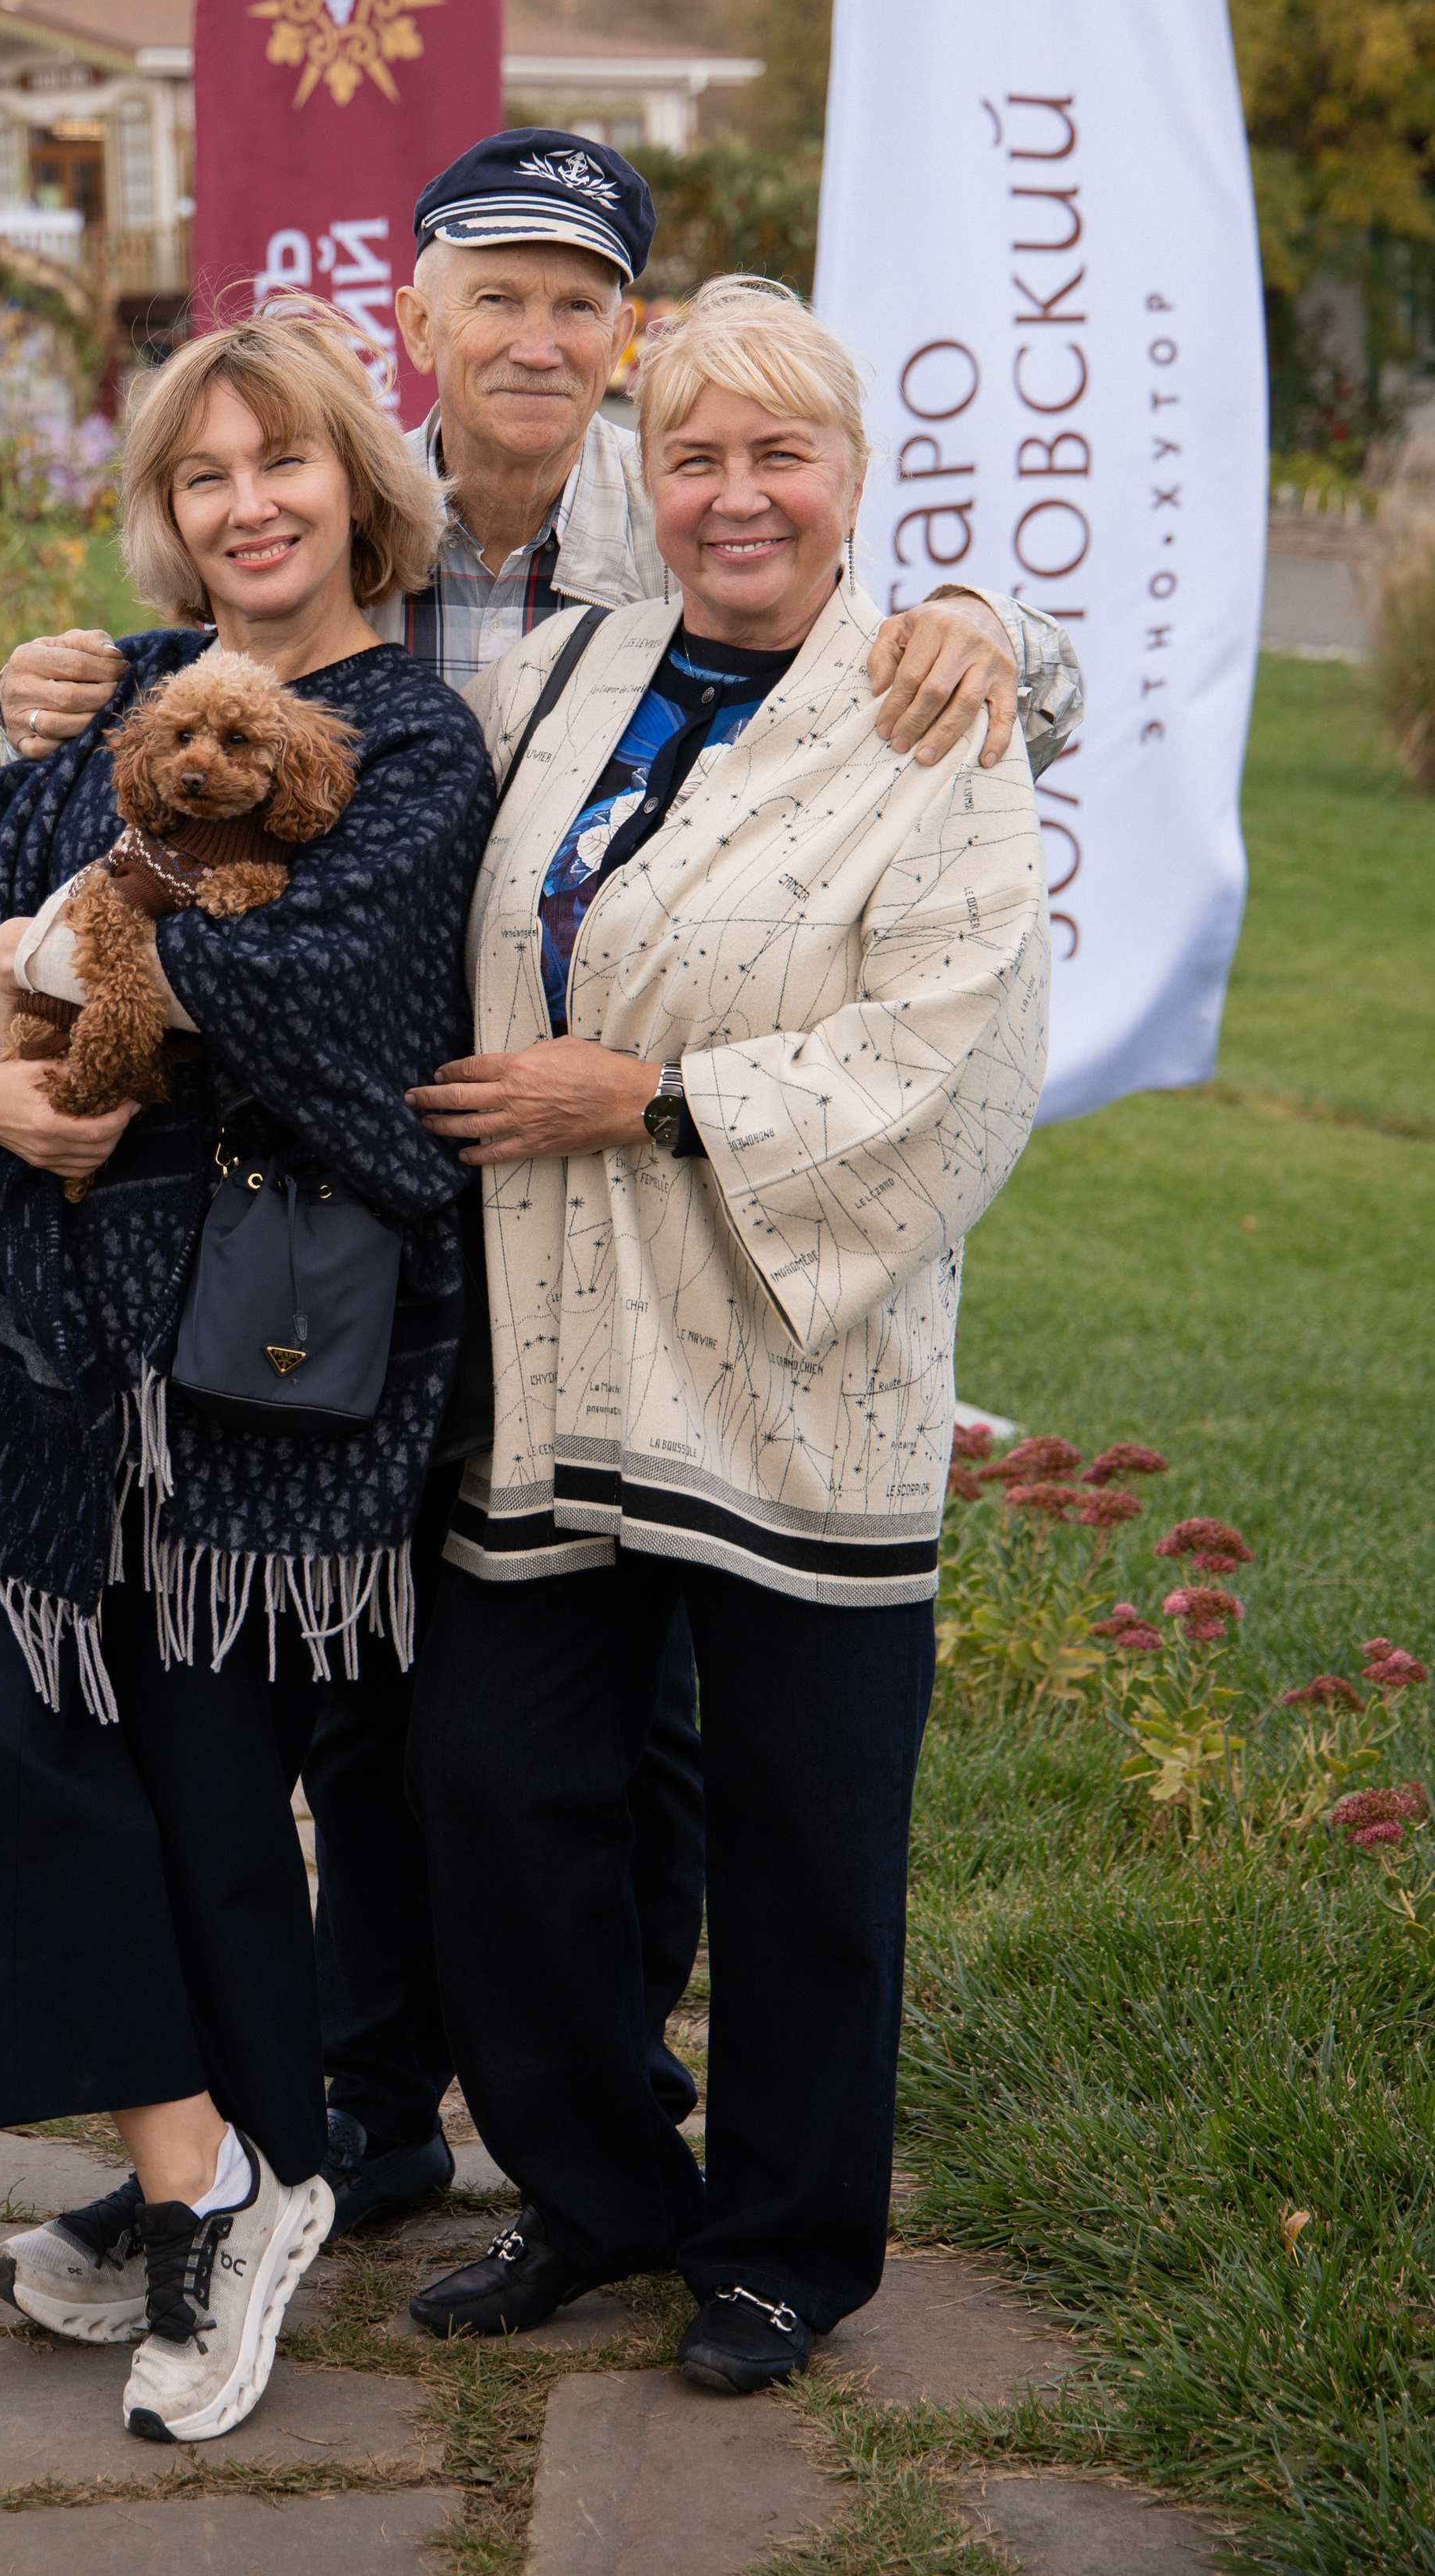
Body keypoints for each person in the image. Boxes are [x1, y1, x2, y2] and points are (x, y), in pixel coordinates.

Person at [0, 131, 1086, 2239]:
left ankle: (683, 2164)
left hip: (689, 1264)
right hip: (421, 1234)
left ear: (625, 340)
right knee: (422, 1727)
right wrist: (77, 680)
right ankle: (408, 2113)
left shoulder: (694, 521)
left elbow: (886, 687)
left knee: (686, 1755)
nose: (538, 335)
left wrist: (990, 625)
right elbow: (255, 697)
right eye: (498, 292)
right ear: (423, 309)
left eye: (580, 302)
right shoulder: (373, 507)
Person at [399, 276, 1048, 2393]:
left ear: (854, 480)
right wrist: (99, 690)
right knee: (497, 1798)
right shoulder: (569, 670)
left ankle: (780, 2246)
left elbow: (958, 1055)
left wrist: (654, 1101)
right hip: (557, 1349)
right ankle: (596, 2192)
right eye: (696, 454)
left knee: (806, 1835)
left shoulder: (933, 706)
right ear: (643, 478)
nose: (738, 494)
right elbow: (387, 824)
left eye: (785, 454)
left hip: (793, 1367)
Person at [0, 305, 495, 2444]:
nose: (247, 507)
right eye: (205, 476)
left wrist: (66, 954)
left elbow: (318, 988)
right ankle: (209, 2167)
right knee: (4, 1732)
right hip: (37, 1335)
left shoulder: (410, 745)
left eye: (283, 465)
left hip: (249, 1367)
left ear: (359, 490)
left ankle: (221, 2196)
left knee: (211, 1802)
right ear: (167, 510)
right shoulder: (120, 693)